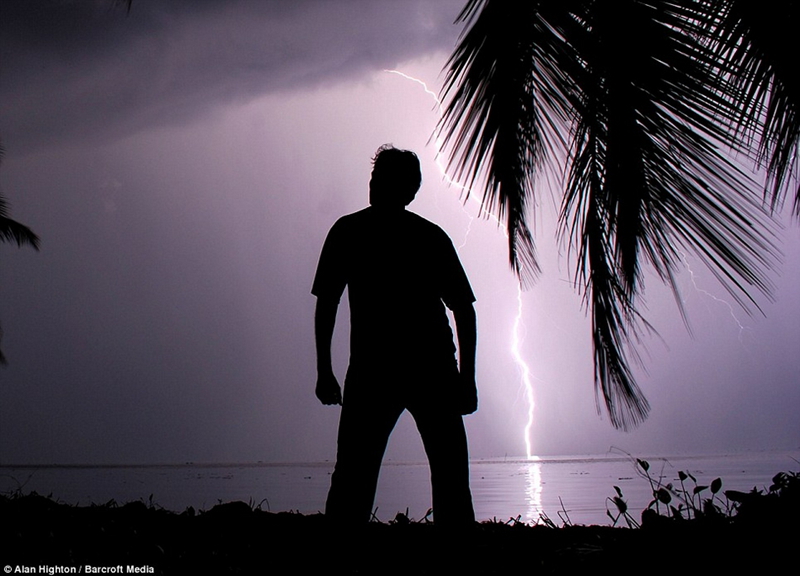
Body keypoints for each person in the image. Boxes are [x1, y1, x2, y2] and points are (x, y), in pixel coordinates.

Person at [311, 144, 477, 527]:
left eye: (382, 180)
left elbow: (464, 308)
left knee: (448, 473)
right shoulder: (350, 231)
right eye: (373, 179)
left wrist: (466, 379)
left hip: (427, 369)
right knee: (354, 473)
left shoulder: (428, 238)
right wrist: (324, 369)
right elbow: (327, 302)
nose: (374, 186)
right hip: (378, 371)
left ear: (408, 191)